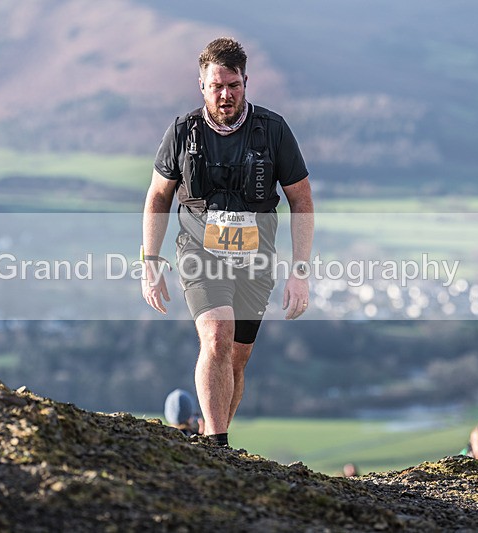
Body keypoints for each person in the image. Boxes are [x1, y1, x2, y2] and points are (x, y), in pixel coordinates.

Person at [141, 37, 314, 448]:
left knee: (237, 357)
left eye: (233, 85)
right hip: (199, 251)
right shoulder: (182, 132)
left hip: (257, 257)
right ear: (201, 85)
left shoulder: (273, 130)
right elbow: (158, 196)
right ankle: (217, 446)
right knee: (217, 336)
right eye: (216, 85)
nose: (225, 94)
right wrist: (150, 259)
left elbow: (301, 200)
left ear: (246, 82)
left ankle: (212, 432)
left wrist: (300, 271)